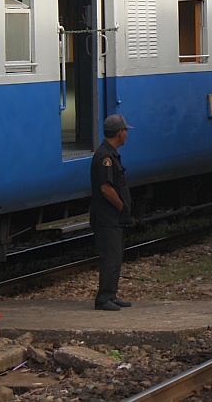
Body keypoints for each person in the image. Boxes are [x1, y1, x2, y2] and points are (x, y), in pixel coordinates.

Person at [90, 114, 136, 311]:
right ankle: (103, 299)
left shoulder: (110, 154)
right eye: (125, 130)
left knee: (115, 257)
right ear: (119, 133)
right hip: (108, 218)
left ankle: (111, 294)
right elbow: (106, 188)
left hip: (113, 218)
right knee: (110, 257)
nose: (126, 134)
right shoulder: (105, 157)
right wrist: (121, 207)